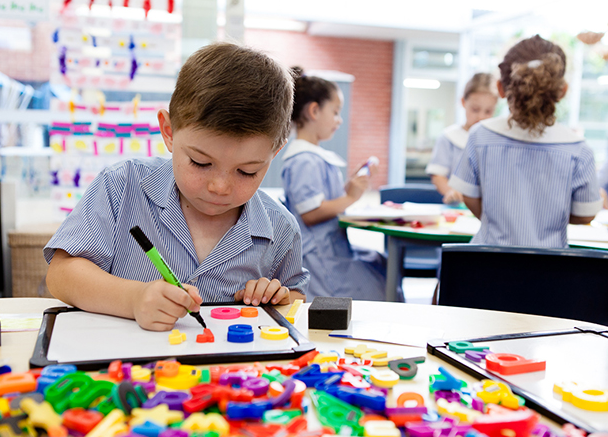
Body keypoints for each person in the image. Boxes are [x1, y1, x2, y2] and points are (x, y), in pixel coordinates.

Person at [44, 43, 309, 331]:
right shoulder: (121, 186)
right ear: (168, 132)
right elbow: (61, 274)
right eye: (200, 162)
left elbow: (295, 298)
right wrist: (133, 299)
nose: (220, 187)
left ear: (275, 153)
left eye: (247, 171)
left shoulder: (280, 228)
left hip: (226, 373)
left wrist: (274, 296)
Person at [449, 35, 602, 247]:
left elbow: (469, 195)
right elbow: (585, 215)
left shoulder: (480, 136)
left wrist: (500, 221)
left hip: (486, 268)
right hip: (549, 273)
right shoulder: (578, 149)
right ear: (562, 91)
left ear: (500, 89)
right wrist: (544, 220)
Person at [281, 68, 386, 301]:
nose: (339, 120)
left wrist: (351, 188)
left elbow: (326, 201)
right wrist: (350, 198)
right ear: (314, 110)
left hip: (332, 251)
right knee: (379, 281)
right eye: (336, 112)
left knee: (380, 262)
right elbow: (311, 212)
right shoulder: (303, 160)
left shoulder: (314, 156)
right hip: (320, 260)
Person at [426, 73, 498, 204]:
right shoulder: (448, 137)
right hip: (456, 206)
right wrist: (450, 192)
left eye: (488, 112)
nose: (481, 116)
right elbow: (437, 175)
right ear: (463, 102)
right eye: (475, 110)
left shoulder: (496, 141)